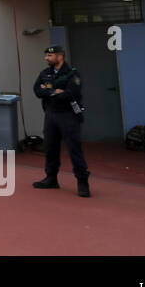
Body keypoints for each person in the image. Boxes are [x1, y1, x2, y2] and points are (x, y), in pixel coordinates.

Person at [32, 45, 90, 198]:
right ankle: (51, 178)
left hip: (68, 115)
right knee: (50, 147)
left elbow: (71, 94)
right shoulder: (45, 73)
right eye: (46, 56)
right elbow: (37, 90)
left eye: (49, 56)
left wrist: (49, 92)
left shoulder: (72, 74)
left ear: (59, 56)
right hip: (51, 114)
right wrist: (54, 92)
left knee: (74, 148)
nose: (46, 59)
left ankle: (82, 181)